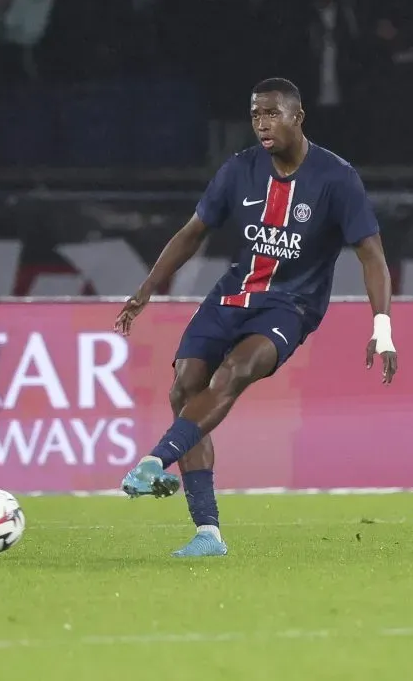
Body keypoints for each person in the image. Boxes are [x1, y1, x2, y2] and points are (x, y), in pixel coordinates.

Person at [113, 78, 398, 558]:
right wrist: (146, 287)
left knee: (236, 372)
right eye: (254, 115)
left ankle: (154, 461)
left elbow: (371, 255)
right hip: (234, 294)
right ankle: (208, 534)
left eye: (271, 113)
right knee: (185, 387)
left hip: (292, 306)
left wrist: (383, 328)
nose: (262, 124)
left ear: (298, 117)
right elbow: (193, 231)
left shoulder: (336, 178)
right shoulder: (239, 170)